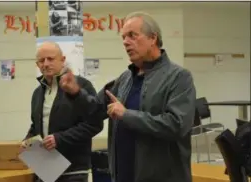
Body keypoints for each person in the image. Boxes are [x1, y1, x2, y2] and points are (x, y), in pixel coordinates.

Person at [60, 11, 196, 182]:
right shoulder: (124, 79)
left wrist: (126, 115)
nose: (125, 42)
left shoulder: (178, 77)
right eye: (123, 37)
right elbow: (96, 110)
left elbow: (177, 125)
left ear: (153, 38)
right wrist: (76, 92)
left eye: (132, 35)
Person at [21, 41, 103, 182]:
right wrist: (27, 140)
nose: (46, 64)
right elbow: (36, 126)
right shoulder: (37, 94)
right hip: (46, 170)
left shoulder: (81, 85)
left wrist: (60, 139)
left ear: (62, 60)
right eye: (41, 60)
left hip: (73, 172)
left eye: (50, 59)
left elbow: (95, 124)